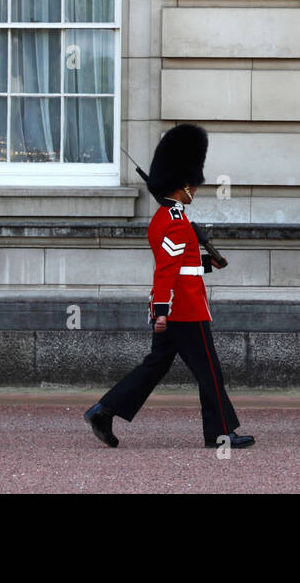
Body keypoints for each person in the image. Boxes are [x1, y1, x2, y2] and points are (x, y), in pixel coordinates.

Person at [84, 123, 254, 449]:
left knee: (156, 365)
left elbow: (182, 267)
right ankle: (220, 433)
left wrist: (209, 264)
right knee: (209, 372)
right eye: (190, 186)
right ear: (181, 187)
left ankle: (105, 410)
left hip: (177, 304)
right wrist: (162, 311)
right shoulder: (175, 222)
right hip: (185, 309)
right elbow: (166, 270)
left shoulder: (169, 219)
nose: (194, 190)